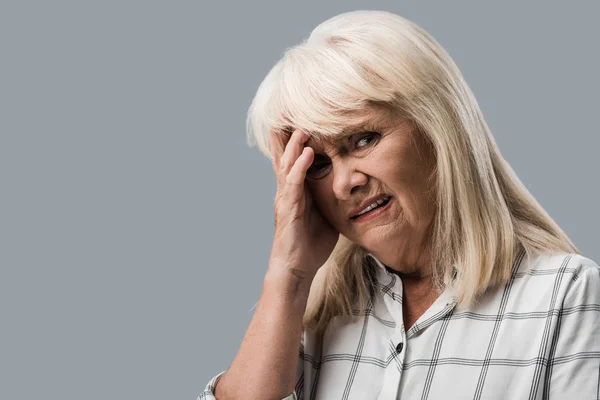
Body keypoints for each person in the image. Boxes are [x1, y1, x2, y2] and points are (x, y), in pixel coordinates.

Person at [198, 10, 600, 400]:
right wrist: (287, 276)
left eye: (362, 139)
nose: (343, 183)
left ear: (438, 127)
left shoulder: (565, 295)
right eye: (318, 165)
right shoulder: (307, 321)